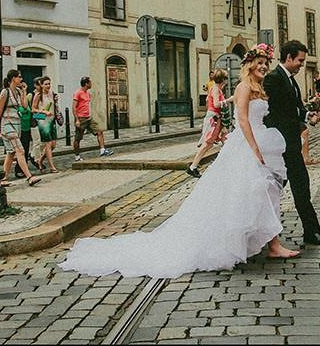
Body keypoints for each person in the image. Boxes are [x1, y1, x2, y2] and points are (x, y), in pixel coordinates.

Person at [58, 44, 300, 278]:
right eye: (260, 63)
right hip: (247, 146)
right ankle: (250, 243)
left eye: (266, 63)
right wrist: (254, 149)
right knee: (246, 194)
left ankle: (271, 244)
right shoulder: (244, 87)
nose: (264, 67)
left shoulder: (259, 87)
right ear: (249, 65)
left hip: (261, 143)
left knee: (265, 193)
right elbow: (244, 121)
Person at [264, 40, 320, 247]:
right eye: (300, 60)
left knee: (301, 187)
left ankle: (311, 232)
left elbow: (295, 107)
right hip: (280, 146)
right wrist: (299, 116)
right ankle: (257, 233)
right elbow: (276, 111)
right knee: (271, 191)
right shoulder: (274, 79)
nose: (302, 64)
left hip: (291, 145)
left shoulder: (290, 79)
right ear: (288, 58)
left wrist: (308, 115)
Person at [0, 69, 41, 187]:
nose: (21, 79)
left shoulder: (19, 92)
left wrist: (24, 91)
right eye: (19, 77)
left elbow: (25, 106)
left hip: (17, 124)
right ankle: (29, 177)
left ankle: (3, 178)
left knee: (11, 153)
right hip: (7, 124)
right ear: (13, 78)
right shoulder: (5, 92)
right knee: (20, 150)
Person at [186, 70, 231, 178]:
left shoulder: (216, 89)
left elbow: (208, 100)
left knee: (224, 140)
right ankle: (193, 167)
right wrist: (229, 100)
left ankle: (227, 166)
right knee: (208, 143)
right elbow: (216, 104)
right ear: (223, 80)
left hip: (217, 119)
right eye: (226, 79)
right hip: (214, 119)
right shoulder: (215, 89)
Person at [71, 77, 113, 160]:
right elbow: (73, 107)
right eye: (90, 82)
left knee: (99, 131)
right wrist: (77, 120)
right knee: (78, 138)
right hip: (81, 118)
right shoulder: (78, 93)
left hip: (88, 118)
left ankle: (102, 150)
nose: (91, 84)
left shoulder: (88, 94)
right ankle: (77, 156)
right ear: (86, 84)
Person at [31, 77, 59, 173]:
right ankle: (52, 166)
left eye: (49, 84)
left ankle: (40, 160)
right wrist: (43, 111)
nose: (48, 86)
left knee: (53, 145)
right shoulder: (38, 95)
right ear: (41, 85)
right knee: (48, 143)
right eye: (46, 84)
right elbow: (33, 109)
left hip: (52, 120)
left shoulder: (52, 94)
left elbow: (54, 106)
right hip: (43, 121)